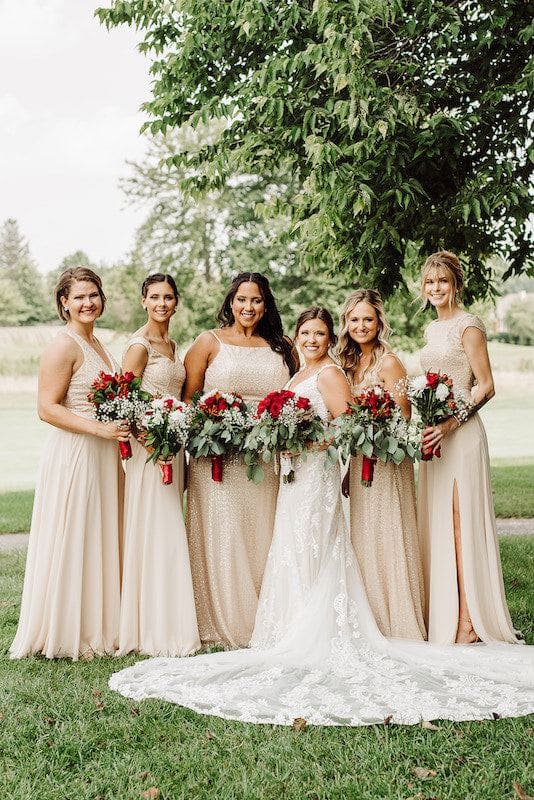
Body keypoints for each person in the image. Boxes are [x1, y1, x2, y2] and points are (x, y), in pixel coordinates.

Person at [109, 307, 534, 728]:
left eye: (319, 333)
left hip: (318, 474)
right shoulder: (297, 375)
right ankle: (290, 625)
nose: (312, 339)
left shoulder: (329, 374)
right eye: (305, 333)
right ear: (296, 337)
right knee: (292, 543)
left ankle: (315, 630)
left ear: (329, 338)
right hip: (295, 476)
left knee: (314, 542)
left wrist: (310, 442)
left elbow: (347, 425)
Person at [10, 267, 127, 660]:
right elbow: (46, 408)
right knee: (75, 535)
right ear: (64, 303)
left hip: (105, 452)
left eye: (93, 295)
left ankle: (99, 621)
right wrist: (99, 429)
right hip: (76, 452)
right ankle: (66, 629)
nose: (87, 303)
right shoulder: (63, 345)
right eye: (78, 297)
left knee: (98, 534)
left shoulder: (99, 344)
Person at [182, 272, 297, 648]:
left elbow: (300, 394)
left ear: (267, 304)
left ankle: (266, 619)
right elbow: (188, 402)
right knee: (223, 535)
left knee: (262, 535)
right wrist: (212, 427)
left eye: (257, 300)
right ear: (230, 302)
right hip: (217, 460)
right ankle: (219, 622)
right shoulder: (207, 342)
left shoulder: (283, 346)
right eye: (241, 300)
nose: (248, 308)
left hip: (264, 459)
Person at [418, 251, 520, 645]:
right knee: (439, 521)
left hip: (460, 434)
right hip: (435, 434)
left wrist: (449, 422)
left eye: (442, 281)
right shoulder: (430, 330)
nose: (436, 288)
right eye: (430, 282)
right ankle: (445, 610)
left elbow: (486, 385)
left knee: (460, 523)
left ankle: (469, 620)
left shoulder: (469, 325)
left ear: (456, 283)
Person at [117, 274, 200, 657]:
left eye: (168, 297)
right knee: (156, 525)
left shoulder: (171, 344)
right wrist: (152, 441)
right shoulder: (139, 346)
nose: (162, 303)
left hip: (173, 446)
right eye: (154, 297)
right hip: (149, 450)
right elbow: (121, 403)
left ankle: (170, 616)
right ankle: (151, 626)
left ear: (176, 302)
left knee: (169, 525)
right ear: (143, 301)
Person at [338, 290, 426, 640]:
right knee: (362, 536)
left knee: (387, 533)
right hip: (359, 460)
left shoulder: (389, 363)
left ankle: (396, 619)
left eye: (368, 319)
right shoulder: (346, 364)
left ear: (379, 323)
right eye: (354, 320)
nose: (361, 326)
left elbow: (404, 418)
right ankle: (368, 617)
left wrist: (376, 437)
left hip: (388, 462)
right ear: (347, 323)